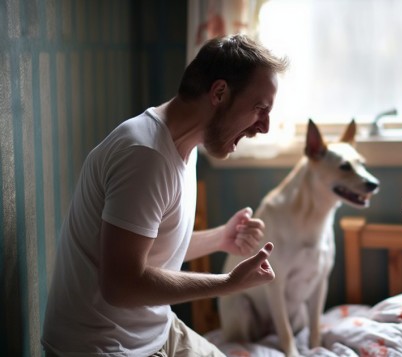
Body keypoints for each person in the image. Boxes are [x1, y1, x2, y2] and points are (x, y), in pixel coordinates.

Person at [41, 34, 289, 357]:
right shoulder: (144, 155)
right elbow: (120, 285)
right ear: (219, 93)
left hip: (153, 332)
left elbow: (151, 249)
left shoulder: (185, 146)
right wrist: (228, 283)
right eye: (260, 109)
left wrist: (221, 238)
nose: (265, 127)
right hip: (100, 346)